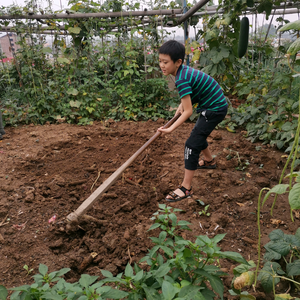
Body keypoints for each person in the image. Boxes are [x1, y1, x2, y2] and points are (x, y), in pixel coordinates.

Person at [157, 40, 228, 202]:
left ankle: (186, 188)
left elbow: (188, 112)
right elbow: (192, 91)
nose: (162, 65)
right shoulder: (183, 72)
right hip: (214, 104)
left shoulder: (181, 79)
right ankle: (209, 161)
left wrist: (170, 129)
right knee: (198, 135)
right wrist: (181, 105)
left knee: (192, 144)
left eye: (165, 62)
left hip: (214, 109)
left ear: (178, 62)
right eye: (160, 61)